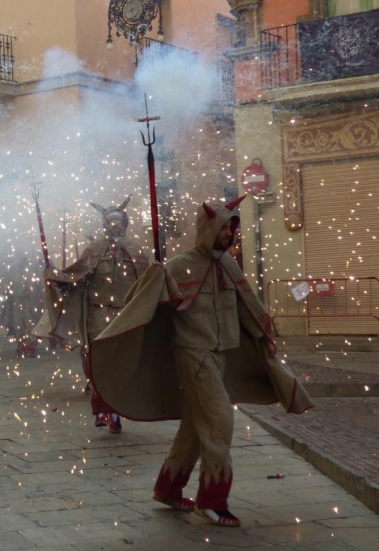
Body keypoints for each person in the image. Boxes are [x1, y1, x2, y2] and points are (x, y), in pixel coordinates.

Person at [88, 196, 313, 527]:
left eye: (231, 228)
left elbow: (246, 306)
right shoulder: (179, 265)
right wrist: (157, 280)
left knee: (196, 427)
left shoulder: (229, 265)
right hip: (193, 356)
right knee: (220, 419)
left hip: (222, 355)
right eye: (223, 228)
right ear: (207, 229)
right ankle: (212, 501)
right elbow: (137, 301)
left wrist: (265, 339)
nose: (228, 234)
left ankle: (168, 488)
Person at [34, 195, 148, 433]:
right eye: (110, 221)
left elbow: (148, 281)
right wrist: (57, 278)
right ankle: (104, 408)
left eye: (118, 221)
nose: (114, 225)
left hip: (126, 314)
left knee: (120, 363)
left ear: (125, 224)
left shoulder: (137, 250)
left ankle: (115, 410)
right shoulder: (94, 250)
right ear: (105, 224)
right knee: (96, 360)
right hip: (97, 314)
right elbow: (76, 276)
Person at [5, 256, 39, 358]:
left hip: (28, 301)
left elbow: (35, 287)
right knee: (18, 326)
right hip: (16, 300)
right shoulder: (13, 270)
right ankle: (21, 347)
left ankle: (30, 347)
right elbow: (7, 286)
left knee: (30, 325)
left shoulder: (32, 270)